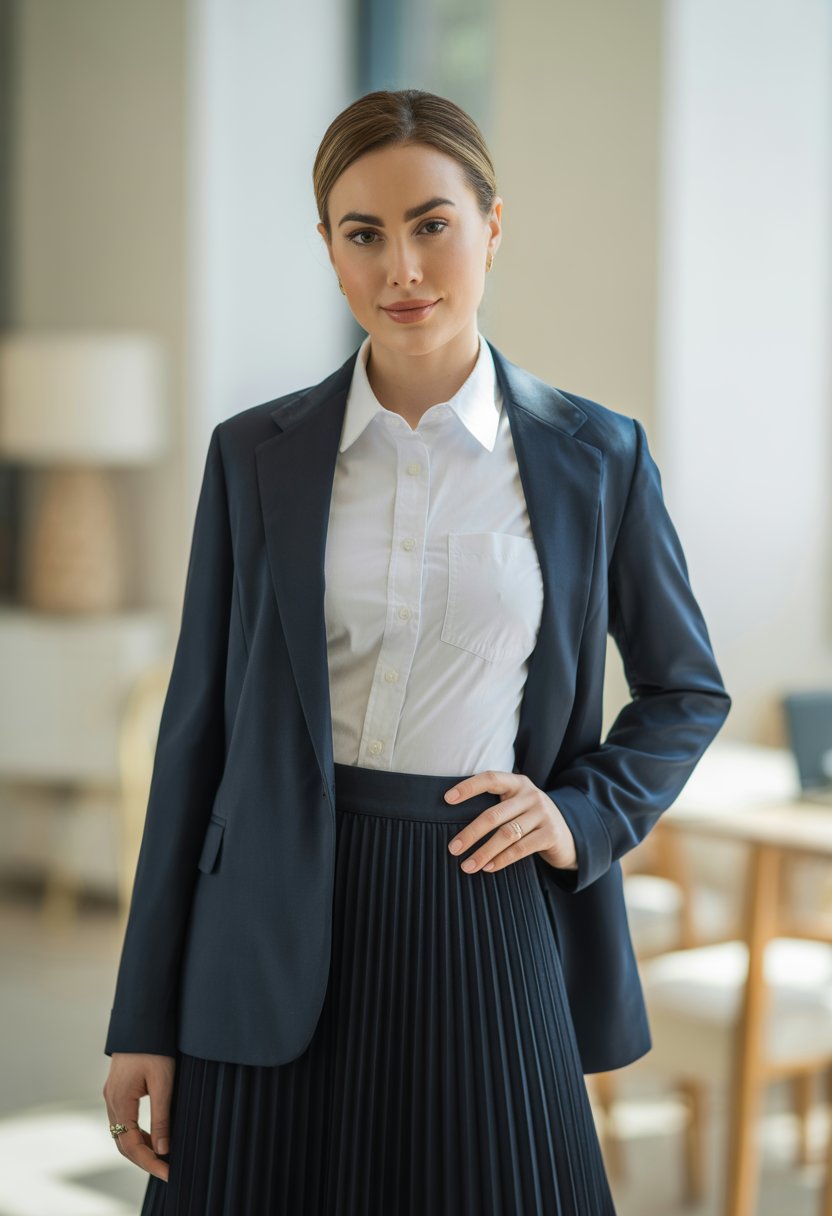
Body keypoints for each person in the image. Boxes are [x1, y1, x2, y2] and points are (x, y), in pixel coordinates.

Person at [102, 88, 730, 1215]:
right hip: (266, 924)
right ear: (330, 250)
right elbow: (193, 740)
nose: (401, 267)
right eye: (363, 233)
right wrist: (143, 1016)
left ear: (492, 228)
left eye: (432, 224)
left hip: (481, 913)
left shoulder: (597, 457)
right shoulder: (254, 455)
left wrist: (578, 815)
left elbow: (685, 686)